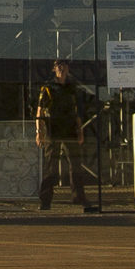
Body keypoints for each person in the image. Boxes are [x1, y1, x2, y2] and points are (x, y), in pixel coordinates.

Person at [33, 60, 94, 210]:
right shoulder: (48, 88)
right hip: (52, 131)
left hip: (69, 130)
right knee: (51, 166)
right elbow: (40, 112)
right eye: (58, 66)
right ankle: (46, 200)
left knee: (75, 165)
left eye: (64, 66)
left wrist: (80, 131)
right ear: (54, 69)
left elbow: (76, 111)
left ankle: (79, 196)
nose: (61, 68)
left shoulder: (71, 88)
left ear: (68, 68)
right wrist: (39, 132)